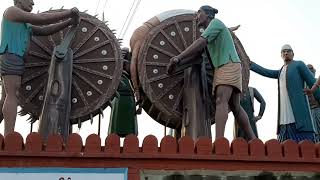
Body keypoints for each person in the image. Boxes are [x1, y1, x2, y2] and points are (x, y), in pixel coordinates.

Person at [166, 5, 256, 140]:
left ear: (208, 15)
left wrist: (178, 57)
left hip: (227, 64)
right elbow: (198, 54)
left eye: (199, 13)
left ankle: (220, 141)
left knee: (221, 100)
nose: (196, 16)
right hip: (229, 65)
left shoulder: (215, 23)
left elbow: (200, 43)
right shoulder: (213, 30)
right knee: (235, 107)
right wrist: (177, 64)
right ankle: (253, 140)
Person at [0, 0, 79, 136]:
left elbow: (44, 30)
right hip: (11, 54)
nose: (32, 2)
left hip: (14, 56)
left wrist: (68, 23)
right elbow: (40, 19)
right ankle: (8, 137)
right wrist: (69, 13)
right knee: (13, 94)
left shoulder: (24, 23)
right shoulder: (12, 12)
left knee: (6, 97)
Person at [250, 44, 320, 143]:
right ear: (281, 55)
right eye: (283, 51)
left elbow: (312, 82)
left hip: (300, 118)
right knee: (285, 147)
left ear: (293, 54)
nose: (286, 53)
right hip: (283, 120)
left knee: (306, 146)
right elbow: (267, 72)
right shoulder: (281, 71)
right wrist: (251, 65)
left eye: (288, 51)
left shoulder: (299, 65)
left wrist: (318, 98)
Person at [304, 64, 320, 142]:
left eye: (311, 69)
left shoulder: (317, 82)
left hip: (318, 108)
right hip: (308, 111)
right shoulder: (303, 84)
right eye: (308, 69)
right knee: (313, 132)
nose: (310, 71)